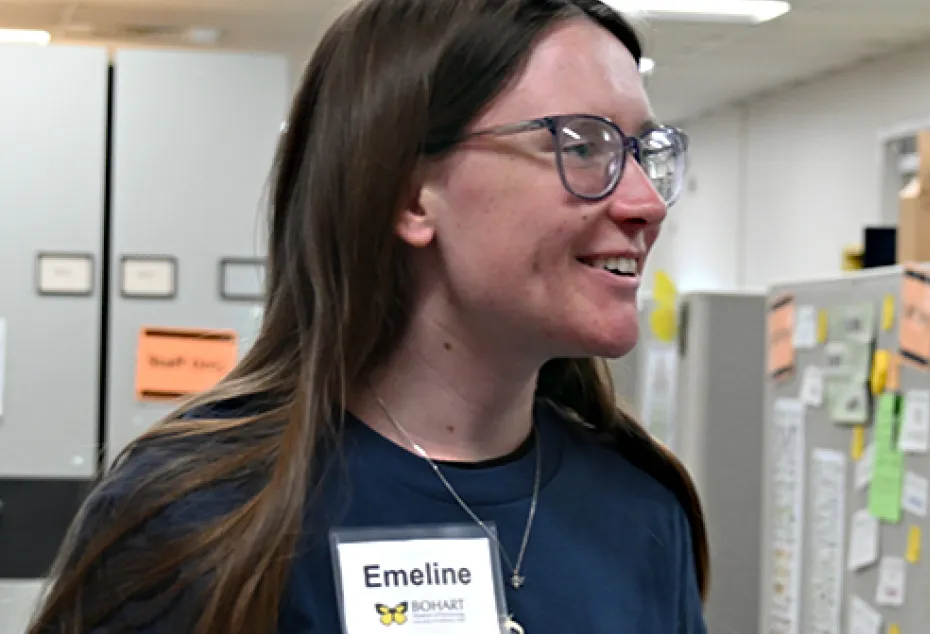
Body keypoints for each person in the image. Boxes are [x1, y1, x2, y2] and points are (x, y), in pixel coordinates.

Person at [29, 0, 706, 631]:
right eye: (584, 146)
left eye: (645, 153)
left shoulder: (642, 511)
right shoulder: (199, 521)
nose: (646, 202)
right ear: (412, 196)